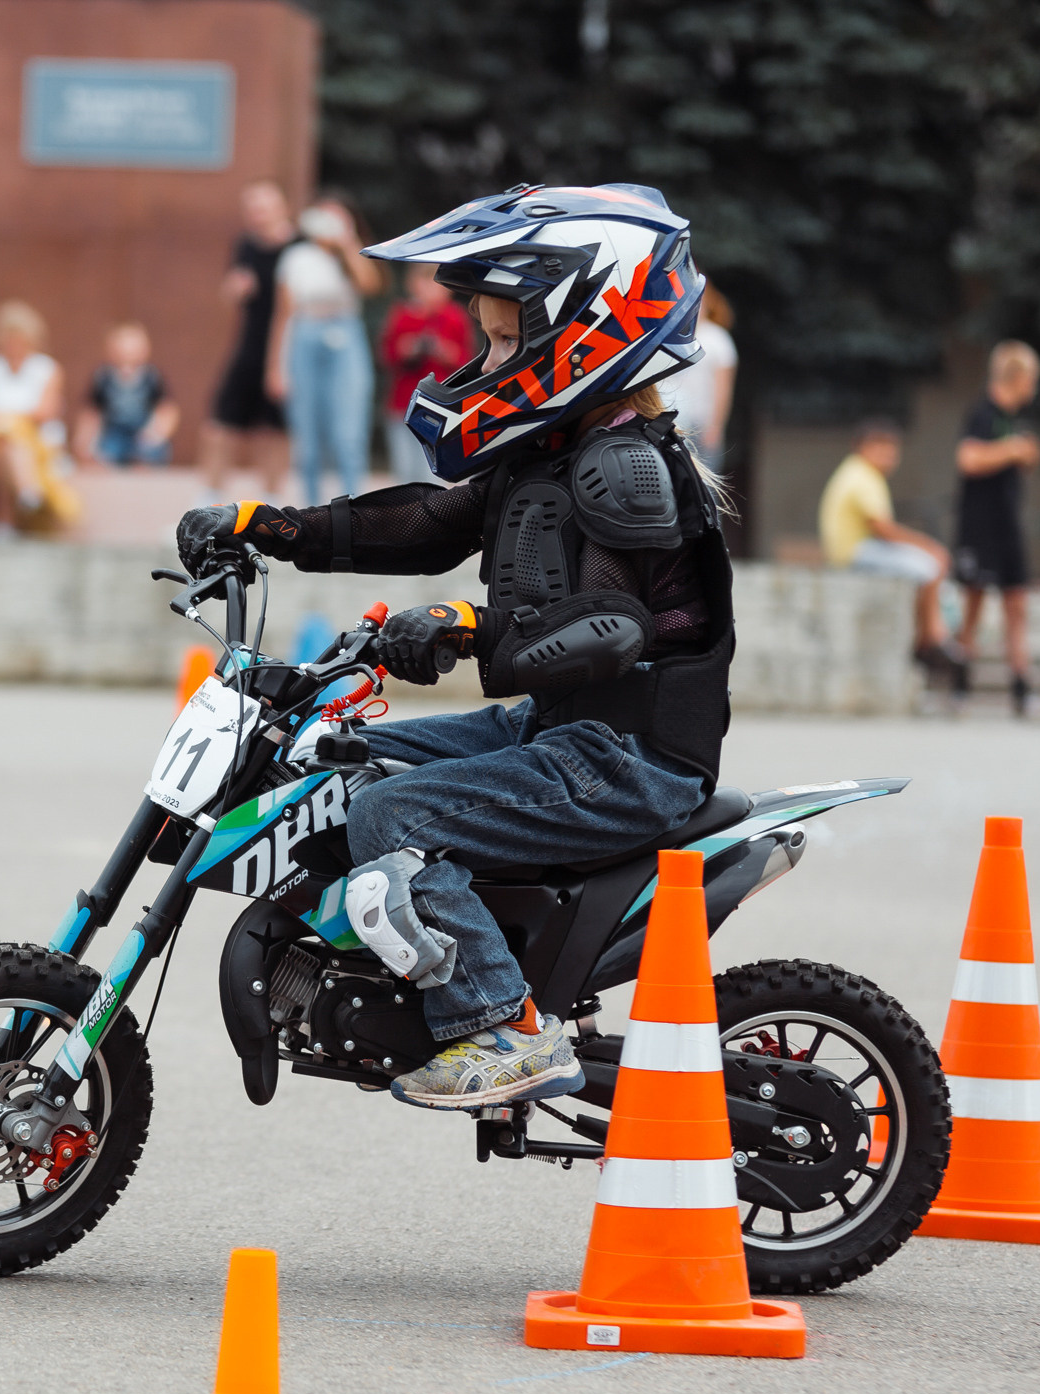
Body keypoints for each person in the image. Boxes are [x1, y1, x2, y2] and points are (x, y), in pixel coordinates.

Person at [173, 183, 730, 1110]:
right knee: (341, 760)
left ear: (586, 335)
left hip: (627, 757)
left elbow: (611, 628)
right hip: (560, 730)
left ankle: (497, 1025)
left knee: (395, 817)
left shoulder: (625, 463)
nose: (487, 359)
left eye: (508, 340)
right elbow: (423, 526)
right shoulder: (547, 448)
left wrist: (472, 630)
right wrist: (267, 525)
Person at [819, 419, 957, 690]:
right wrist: (928, 546)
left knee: (928, 565)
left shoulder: (857, 473)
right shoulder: (862, 476)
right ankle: (931, 637)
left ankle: (931, 634)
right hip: (855, 552)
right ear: (862, 448)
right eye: (882, 448)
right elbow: (884, 529)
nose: (889, 457)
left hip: (857, 549)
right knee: (929, 566)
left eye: (893, 450)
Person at [268, 195, 385, 505]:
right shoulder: (296, 257)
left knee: (348, 433)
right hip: (304, 337)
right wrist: (276, 367)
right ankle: (311, 512)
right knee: (306, 436)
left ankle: (354, 509)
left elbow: (371, 285)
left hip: (346, 335)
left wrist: (347, 243)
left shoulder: (351, 255)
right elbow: (284, 315)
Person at [952, 340, 1040, 715]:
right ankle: (959, 684)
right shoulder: (983, 413)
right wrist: (1014, 450)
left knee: (1017, 604)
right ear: (1016, 377)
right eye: (1031, 379)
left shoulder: (1013, 418)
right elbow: (968, 459)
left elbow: (1019, 456)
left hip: (1008, 524)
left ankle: (1022, 687)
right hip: (979, 523)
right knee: (973, 605)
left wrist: (1025, 454)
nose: (1033, 388)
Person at [200, 182, 297, 501]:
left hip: (289, 348)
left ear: (282, 208)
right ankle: (209, 498)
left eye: (264, 207)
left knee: (275, 429)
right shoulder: (246, 246)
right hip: (251, 344)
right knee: (221, 423)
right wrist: (233, 290)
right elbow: (229, 292)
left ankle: (272, 501)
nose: (258, 215)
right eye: (252, 209)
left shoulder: (299, 247)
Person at [0, 300, 78, 536]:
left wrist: (3, 417)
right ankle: (27, 489)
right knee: (3, 437)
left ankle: (4, 522)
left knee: (6, 440)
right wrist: (12, 418)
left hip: (34, 445)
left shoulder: (46, 368)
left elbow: (46, 412)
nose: (14, 345)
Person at [377, 264, 475, 486]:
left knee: (434, 470)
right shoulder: (402, 316)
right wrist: (408, 348)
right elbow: (387, 356)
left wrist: (443, 350)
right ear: (412, 285)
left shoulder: (455, 317)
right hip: (403, 404)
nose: (431, 290)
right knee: (405, 469)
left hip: (440, 407)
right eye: (425, 283)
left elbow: (467, 361)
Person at [78, 323, 178, 467]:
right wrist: (85, 440)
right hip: (114, 431)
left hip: (144, 431)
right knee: (106, 454)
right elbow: (92, 411)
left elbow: (167, 409)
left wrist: (158, 432)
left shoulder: (151, 377)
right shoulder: (103, 377)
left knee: (152, 452)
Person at [660, 285, 738, 464]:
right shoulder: (670, 336)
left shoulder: (717, 339)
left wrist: (715, 426)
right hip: (673, 422)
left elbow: (723, 388)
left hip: (702, 425)